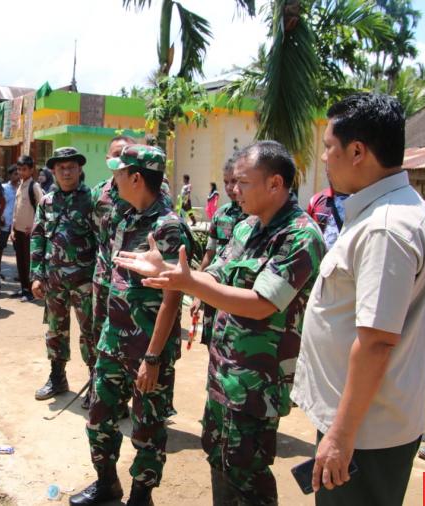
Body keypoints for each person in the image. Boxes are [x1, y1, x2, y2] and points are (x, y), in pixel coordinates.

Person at [114, 141, 325, 506]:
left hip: (257, 384)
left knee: (248, 472)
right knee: (219, 458)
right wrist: (170, 272)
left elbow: (262, 304)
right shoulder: (246, 228)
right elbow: (214, 275)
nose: (233, 189)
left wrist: (189, 283)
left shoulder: (299, 236)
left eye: (243, 182)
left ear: (275, 184)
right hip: (223, 374)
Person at [291, 93, 425, 505]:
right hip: (363, 422)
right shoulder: (389, 209)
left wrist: (340, 437)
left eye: (328, 147)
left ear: (357, 151)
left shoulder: (384, 228)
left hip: (364, 433)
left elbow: (376, 342)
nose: (323, 158)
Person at [70, 144, 188, 506]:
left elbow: (172, 298)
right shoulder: (124, 218)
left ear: (136, 178)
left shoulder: (168, 227)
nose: (114, 179)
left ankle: (141, 495)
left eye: (119, 173)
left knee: (148, 429)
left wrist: (152, 357)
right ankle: (107, 483)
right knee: (99, 417)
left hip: (146, 350)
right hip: (113, 341)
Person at [30, 147, 96, 401]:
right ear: (54, 171)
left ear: (79, 169)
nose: (66, 172)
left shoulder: (91, 200)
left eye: (71, 167)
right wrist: (37, 275)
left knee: (90, 332)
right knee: (56, 330)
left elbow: (102, 240)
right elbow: (38, 237)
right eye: (61, 168)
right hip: (54, 281)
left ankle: (95, 383)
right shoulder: (47, 202)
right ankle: (57, 377)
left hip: (85, 281)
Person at [89, 135, 136, 410]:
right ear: (107, 159)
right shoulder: (99, 193)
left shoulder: (145, 190)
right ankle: (103, 392)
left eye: (124, 153)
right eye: (114, 154)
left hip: (131, 282)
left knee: (129, 338)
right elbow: (96, 232)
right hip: (103, 278)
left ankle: (128, 396)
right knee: (100, 336)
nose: (118, 159)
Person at [189, 154, 248, 344]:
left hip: (239, 292)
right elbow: (209, 255)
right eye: (226, 182)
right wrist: (198, 293)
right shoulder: (221, 215)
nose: (231, 187)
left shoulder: (254, 215)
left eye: (235, 181)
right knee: (213, 342)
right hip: (215, 287)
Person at [11, 155, 43, 302]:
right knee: (20, 262)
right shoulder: (20, 185)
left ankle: (30, 291)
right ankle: (24, 288)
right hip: (18, 231)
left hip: (29, 233)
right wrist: (12, 229)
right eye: (19, 169)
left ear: (31, 170)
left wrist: (36, 227)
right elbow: (15, 209)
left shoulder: (34, 186)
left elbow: (42, 208)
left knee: (29, 263)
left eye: (24, 169)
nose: (21, 172)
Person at [0, 165, 19, 285]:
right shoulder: (4, 188)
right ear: (9, 175)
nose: (17, 176)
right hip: (5, 222)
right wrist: (1, 217)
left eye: (18, 173)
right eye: (15, 173)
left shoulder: (21, 188)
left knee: (18, 249)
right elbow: (0, 203)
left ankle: (20, 273)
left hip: (17, 224)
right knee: (0, 248)